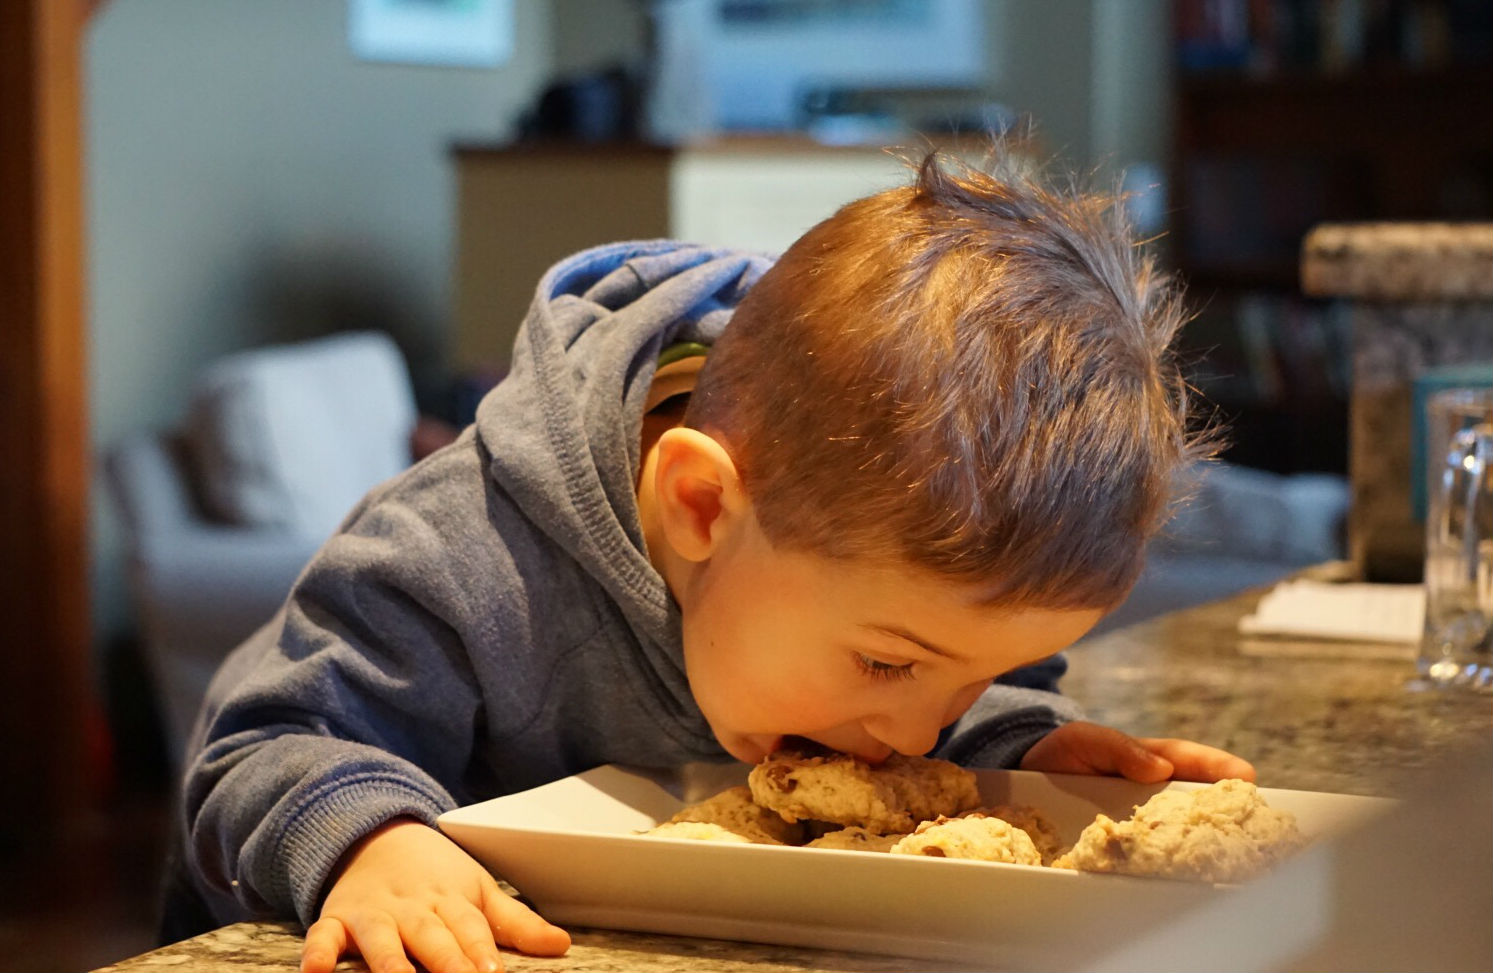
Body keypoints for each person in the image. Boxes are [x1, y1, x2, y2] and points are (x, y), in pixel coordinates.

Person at [172, 150, 1253, 973]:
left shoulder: (852, 583)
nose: (916, 730)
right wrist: (370, 840)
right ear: (698, 504)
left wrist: (1019, 744)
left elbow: (956, 700)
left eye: (963, 677)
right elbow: (265, 741)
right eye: (887, 665)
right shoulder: (460, 554)